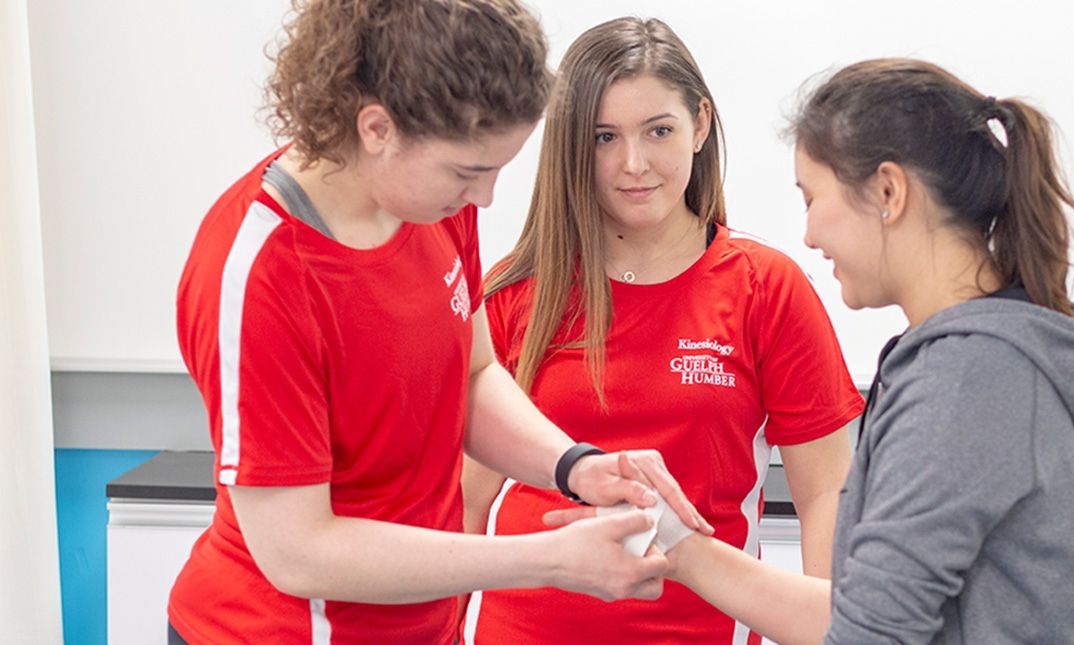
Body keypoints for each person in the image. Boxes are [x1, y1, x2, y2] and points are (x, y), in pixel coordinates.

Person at [167, 2, 712, 643]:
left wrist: (574, 466)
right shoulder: (263, 273)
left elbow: (474, 375)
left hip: (420, 623)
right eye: (468, 173)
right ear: (378, 129)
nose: (484, 198)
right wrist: (546, 559)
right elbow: (299, 553)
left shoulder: (434, 202)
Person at [563, 58, 1074, 644]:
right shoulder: (964, 363)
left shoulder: (966, 381)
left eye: (812, 198)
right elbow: (864, 612)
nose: (810, 234)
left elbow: (868, 635)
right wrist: (679, 544)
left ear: (889, 192)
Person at [460, 17, 864, 644]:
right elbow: (465, 501)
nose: (634, 164)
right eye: (604, 137)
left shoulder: (766, 289)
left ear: (700, 125)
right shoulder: (515, 291)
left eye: (659, 131)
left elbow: (824, 495)